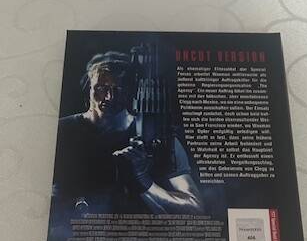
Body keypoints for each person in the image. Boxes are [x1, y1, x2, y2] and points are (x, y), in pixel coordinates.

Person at [53, 51, 203, 215]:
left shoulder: (157, 136)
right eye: (101, 88)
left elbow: (194, 207)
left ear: (131, 92)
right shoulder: (62, 130)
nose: (109, 97)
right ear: (89, 88)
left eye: (119, 89)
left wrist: (145, 182)